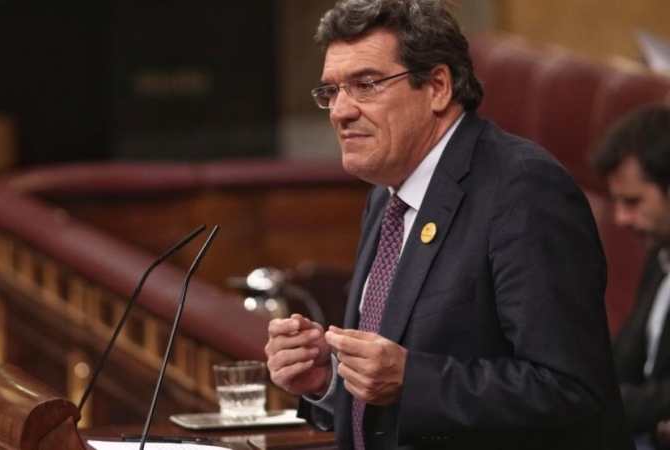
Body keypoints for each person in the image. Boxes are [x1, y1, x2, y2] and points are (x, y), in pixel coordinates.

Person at [263, 0, 633, 449]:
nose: (340, 111)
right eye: (331, 92)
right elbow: (390, 376)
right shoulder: (386, 192)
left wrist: (413, 380)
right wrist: (329, 380)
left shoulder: (523, 190)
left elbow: (570, 390)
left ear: (437, 86)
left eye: (365, 84)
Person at [591, 104, 670, 450]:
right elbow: (628, 352)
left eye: (634, 202)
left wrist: (591, 402)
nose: (621, 218)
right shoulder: (660, 250)